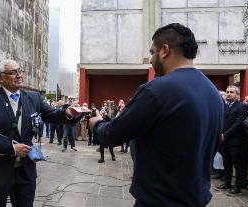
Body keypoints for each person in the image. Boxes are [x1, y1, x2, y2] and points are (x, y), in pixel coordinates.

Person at [89, 23, 224, 207]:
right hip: (196, 199)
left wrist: (96, 123)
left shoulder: (156, 89)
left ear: (165, 50)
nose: (151, 60)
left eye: (152, 52)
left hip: (159, 200)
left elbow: (112, 134)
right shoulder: (214, 93)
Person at [0, 59, 80, 207]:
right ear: (0, 78)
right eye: (12, 72)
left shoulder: (33, 97)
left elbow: (53, 115)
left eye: (20, 71)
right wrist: (12, 148)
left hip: (25, 170)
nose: (19, 75)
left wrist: (68, 113)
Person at [215, 86, 247, 196]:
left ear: (237, 94)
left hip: (236, 141)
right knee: (226, 163)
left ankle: (237, 188)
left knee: (238, 165)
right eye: (227, 92)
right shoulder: (225, 106)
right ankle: (227, 183)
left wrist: (225, 135)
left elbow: (237, 124)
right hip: (225, 141)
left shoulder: (241, 106)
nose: (228, 94)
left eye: (231, 92)